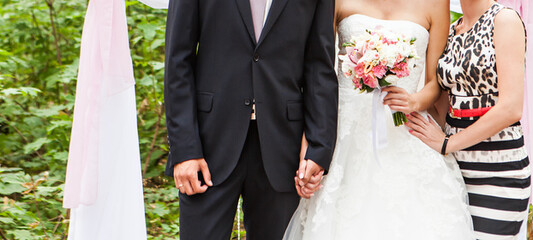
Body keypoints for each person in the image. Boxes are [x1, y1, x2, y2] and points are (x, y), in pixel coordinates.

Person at [282, 0, 474, 239]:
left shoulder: (436, 3)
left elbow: (435, 83)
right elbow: (318, 73)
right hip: (344, 135)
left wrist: (414, 101)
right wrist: (310, 144)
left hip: (407, 130)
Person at [162, 0, 338, 239]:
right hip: (208, 143)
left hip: (283, 147)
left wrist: (319, 147)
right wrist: (185, 150)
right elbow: (177, 61)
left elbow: (320, 66)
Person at [391, 0, 531, 239]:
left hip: (498, 172)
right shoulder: (452, 31)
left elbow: (511, 108)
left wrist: (448, 143)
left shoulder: (504, 20)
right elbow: (444, 103)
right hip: (454, 172)